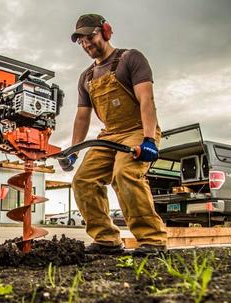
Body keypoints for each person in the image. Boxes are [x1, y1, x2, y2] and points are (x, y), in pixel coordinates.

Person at [60, 14, 167, 255]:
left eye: (90, 36)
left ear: (106, 32)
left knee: (125, 173)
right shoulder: (86, 77)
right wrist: (74, 151)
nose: (86, 44)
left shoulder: (130, 59)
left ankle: (152, 239)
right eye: (81, 41)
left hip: (137, 130)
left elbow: (146, 99)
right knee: (83, 180)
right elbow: (82, 116)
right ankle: (106, 240)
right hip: (109, 136)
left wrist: (149, 139)